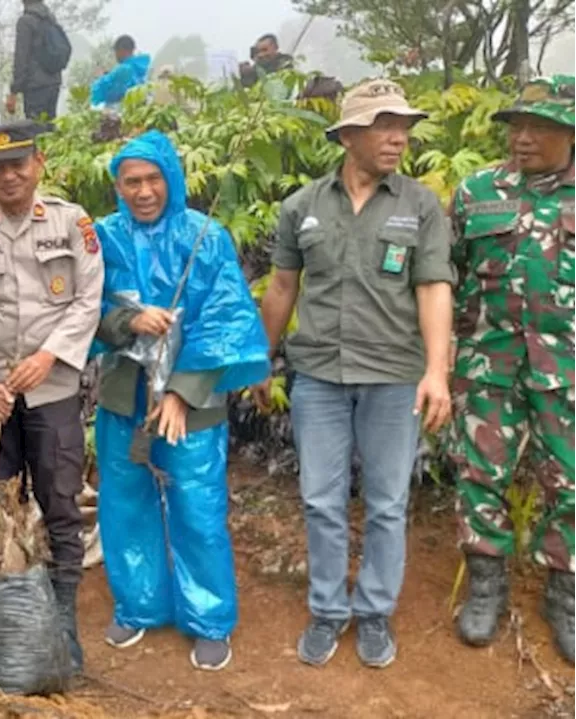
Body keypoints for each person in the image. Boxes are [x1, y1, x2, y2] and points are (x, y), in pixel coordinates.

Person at [254, 79, 455, 669]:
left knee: (389, 502)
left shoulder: (419, 205)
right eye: (384, 124)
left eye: (404, 125)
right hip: (317, 374)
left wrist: (436, 371)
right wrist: (260, 361)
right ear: (347, 135)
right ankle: (327, 610)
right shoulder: (302, 207)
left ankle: (372, 612)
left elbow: (433, 287)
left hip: (394, 375)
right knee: (321, 499)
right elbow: (283, 288)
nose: (398, 137)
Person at [93, 130, 269, 671]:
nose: (143, 191)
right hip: (124, 392)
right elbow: (80, 306)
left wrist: (181, 394)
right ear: (118, 187)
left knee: (197, 503)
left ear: (170, 178)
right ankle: (139, 603)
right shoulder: (102, 237)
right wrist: (126, 320)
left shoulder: (205, 236)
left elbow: (224, 319)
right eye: (131, 182)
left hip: (193, 400)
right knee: (125, 498)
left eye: (152, 180)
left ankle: (209, 617)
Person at [0, 120, 105, 673]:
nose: (8, 175)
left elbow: (87, 300)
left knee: (61, 507)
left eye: (17, 163)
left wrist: (48, 357)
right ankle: (4, 624)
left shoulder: (71, 222)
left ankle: (63, 625)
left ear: (38, 163)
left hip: (54, 389)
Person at [448, 75, 576, 663]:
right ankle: (486, 586)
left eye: (540, 127)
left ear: (568, 133)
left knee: (571, 481)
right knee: (480, 475)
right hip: (488, 365)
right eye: (516, 127)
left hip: (568, 372)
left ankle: (565, 594)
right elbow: (444, 275)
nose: (523, 139)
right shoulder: (476, 191)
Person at [6, 0, 67, 121]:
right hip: (54, 82)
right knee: (49, 127)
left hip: (35, 87)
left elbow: (21, 59)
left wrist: (14, 92)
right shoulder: (50, 19)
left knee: (35, 129)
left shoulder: (25, 21)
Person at [90, 35, 151, 109]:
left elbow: (113, 94)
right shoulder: (139, 70)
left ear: (121, 50)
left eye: (116, 51)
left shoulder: (124, 69)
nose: (115, 55)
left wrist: (99, 78)